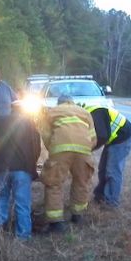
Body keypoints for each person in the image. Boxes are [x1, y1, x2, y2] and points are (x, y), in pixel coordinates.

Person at [38, 94, 96, 233]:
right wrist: (86, 150)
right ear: (72, 102)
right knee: (81, 182)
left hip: (60, 149)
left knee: (54, 183)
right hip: (83, 150)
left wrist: (53, 150)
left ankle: (56, 223)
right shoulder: (85, 112)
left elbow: (46, 135)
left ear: (59, 103)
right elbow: (93, 137)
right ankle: (78, 215)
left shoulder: (51, 112)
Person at [0, 101, 41, 240]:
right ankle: (22, 235)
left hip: (1, 168)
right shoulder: (30, 124)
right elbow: (36, 147)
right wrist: (32, 164)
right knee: (22, 203)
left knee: (0, 198)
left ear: (12, 109)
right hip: (22, 169)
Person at [83, 104, 131, 208]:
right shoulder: (89, 113)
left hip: (122, 139)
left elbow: (102, 136)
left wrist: (89, 149)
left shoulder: (95, 114)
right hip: (112, 140)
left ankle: (111, 202)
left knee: (112, 170)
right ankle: (100, 195)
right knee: (102, 169)